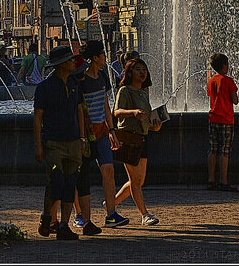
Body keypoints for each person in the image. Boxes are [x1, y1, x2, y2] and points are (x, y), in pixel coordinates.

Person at [73, 40, 128, 230]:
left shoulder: (103, 76)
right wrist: (80, 135)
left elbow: (105, 104)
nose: (106, 58)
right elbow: (79, 109)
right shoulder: (81, 80)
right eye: (103, 55)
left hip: (102, 132)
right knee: (80, 175)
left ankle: (111, 214)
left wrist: (112, 130)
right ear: (95, 58)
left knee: (109, 170)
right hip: (87, 134)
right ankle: (79, 214)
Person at [33, 45, 85, 241]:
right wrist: (39, 145)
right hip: (53, 142)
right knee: (56, 182)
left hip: (73, 142)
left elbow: (79, 110)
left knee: (70, 184)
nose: (74, 63)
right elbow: (38, 118)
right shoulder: (45, 88)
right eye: (71, 60)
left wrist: (82, 138)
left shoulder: (73, 83)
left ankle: (63, 226)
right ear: (62, 64)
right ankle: (47, 215)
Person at [114, 57, 162, 226]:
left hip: (142, 139)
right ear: (130, 72)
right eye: (138, 69)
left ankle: (111, 204)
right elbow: (117, 112)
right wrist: (132, 112)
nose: (142, 73)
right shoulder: (125, 90)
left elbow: (144, 120)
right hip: (129, 139)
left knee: (139, 180)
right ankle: (145, 214)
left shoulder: (142, 92)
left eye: (144, 70)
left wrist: (153, 126)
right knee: (135, 180)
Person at [206, 52, 239, 192]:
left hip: (213, 118)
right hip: (226, 119)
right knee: (224, 151)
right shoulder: (228, 81)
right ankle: (223, 181)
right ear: (224, 65)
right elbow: (235, 100)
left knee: (213, 149)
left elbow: (210, 95)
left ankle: (211, 180)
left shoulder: (211, 80)